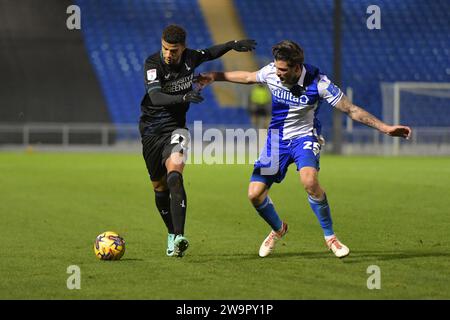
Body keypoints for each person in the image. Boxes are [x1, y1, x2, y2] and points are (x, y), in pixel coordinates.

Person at [197, 40, 412, 258]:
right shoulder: (272, 71)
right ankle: (278, 229)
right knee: (254, 195)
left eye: (283, 70)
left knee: (309, 181)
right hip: (276, 140)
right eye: (276, 68)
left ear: (297, 68)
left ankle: (331, 238)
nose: (277, 73)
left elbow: (351, 109)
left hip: (304, 138)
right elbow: (248, 77)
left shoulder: (319, 83)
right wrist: (215, 76)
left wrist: (385, 128)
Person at [139, 24, 256, 258]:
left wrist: (232, 45)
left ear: (183, 48)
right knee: (159, 188)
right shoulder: (153, 64)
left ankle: (180, 236)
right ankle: (171, 233)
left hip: (176, 129)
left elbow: (210, 53)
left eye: (173, 50)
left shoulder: (191, 58)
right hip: (151, 131)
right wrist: (183, 96)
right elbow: (156, 96)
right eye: (165, 49)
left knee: (175, 174)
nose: (168, 54)